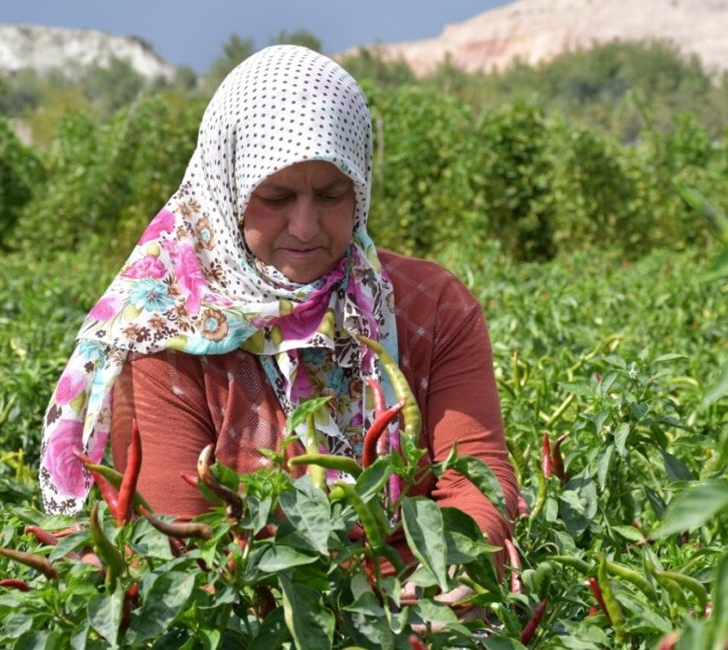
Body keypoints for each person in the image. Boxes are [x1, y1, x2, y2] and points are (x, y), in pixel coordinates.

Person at [38, 45, 518, 570]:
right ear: (230, 192)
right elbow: (184, 551)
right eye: (277, 198)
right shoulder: (166, 334)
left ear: (360, 192)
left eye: (332, 194)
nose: (306, 227)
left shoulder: (433, 308)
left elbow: (476, 481)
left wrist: (458, 572)